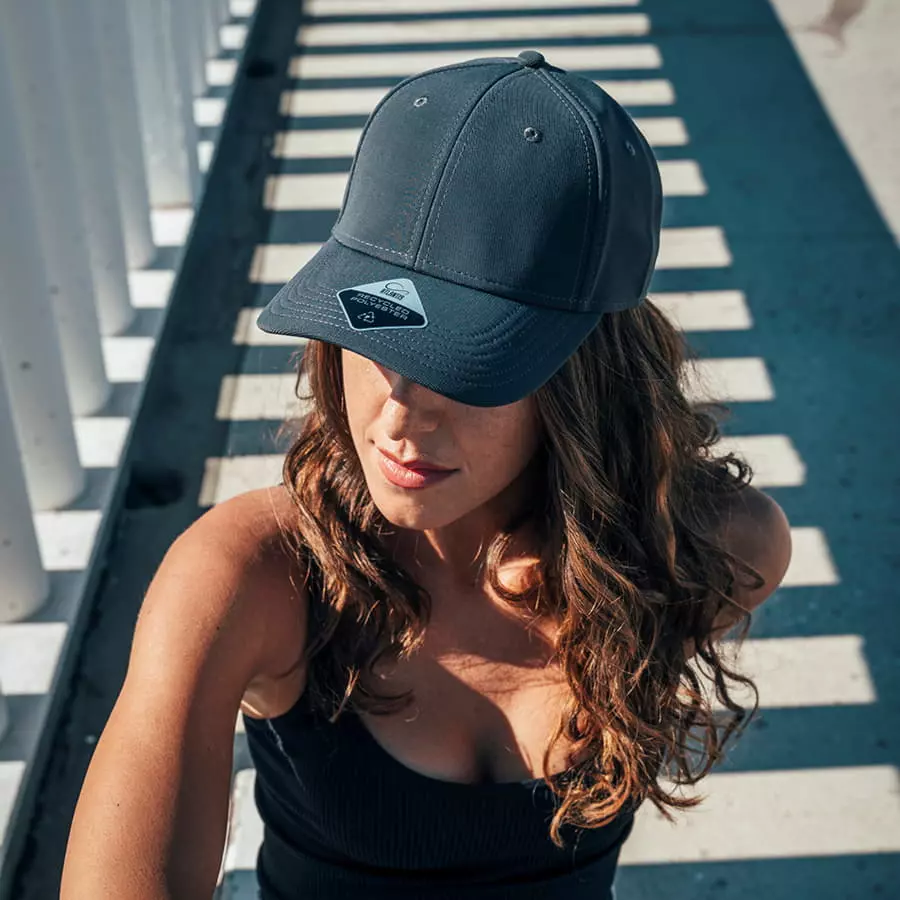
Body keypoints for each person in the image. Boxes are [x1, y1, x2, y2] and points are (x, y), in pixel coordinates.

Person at [61, 51, 792, 899]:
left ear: (586, 378)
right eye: (375, 335)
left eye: (464, 361)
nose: (400, 418)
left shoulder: (708, 549)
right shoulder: (254, 576)